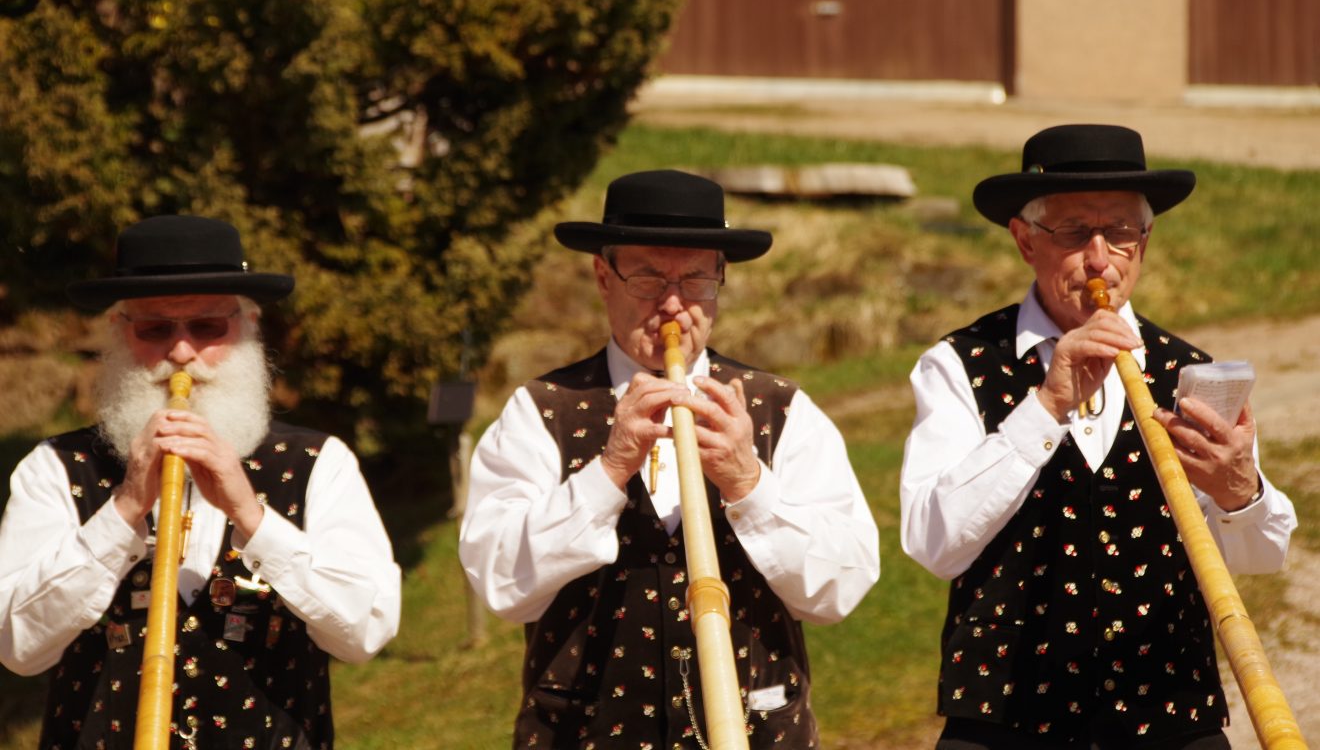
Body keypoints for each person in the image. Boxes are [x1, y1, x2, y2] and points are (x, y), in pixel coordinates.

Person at [900, 125, 1298, 750]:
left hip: (1168, 717)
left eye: (1119, 232)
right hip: (1005, 722)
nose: (1099, 259)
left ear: (1144, 242)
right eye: (1072, 232)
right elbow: (932, 543)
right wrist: (1046, 407)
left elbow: (1263, 557)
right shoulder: (960, 363)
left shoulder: (1189, 371)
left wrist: (1239, 492)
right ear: (1025, 240)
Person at [460, 169, 880, 748]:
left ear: (721, 280)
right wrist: (608, 472)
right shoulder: (540, 411)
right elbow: (499, 584)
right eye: (648, 278)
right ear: (603, 277)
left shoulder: (783, 409)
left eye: (697, 280)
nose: (675, 305)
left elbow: (841, 588)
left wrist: (749, 484)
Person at [0, 215, 402, 749]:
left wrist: (252, 518)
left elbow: (366, 632)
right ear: (119, 331)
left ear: (248, 327)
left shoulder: (318, 463)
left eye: (208, 327)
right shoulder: (55, 466)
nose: (182, 353)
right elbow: (17, 647)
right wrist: (123, 509)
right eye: (155, 329)